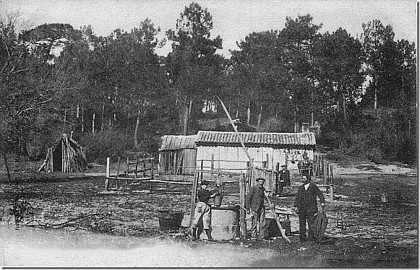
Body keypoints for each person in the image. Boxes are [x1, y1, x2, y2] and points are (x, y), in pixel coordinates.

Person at [294, 175, 325, 242]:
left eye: (304, 178)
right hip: (302, 209)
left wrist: (322, 202)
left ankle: (311, 237)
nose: (303, 179)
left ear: (308, 179)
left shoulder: (313, 186)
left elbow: (320, 194)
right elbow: (298, 197)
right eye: (302, 178)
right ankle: (302, 238)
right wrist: (296, 206)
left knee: (311, 223)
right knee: (302, 224)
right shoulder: (301, 187)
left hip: (311, 208)